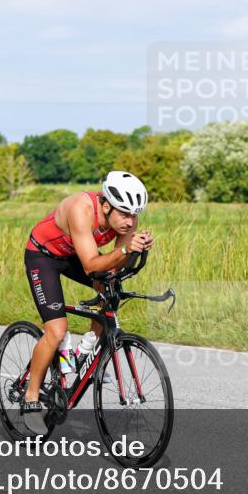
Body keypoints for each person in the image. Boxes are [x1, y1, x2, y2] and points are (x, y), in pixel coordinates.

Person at [22, 171, 153, 433]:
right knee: (57, 330)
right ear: (106, 206)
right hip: (43, 256)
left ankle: (85, 351)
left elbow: (114, 265)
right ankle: (31, 397)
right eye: (124, 214)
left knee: (111, 287)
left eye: (134, 215)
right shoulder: (81, 209)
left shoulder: (127, 220)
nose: (129, 221)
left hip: (76, 254)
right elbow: (92, 266)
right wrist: (126, 249)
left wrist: (133, 252)